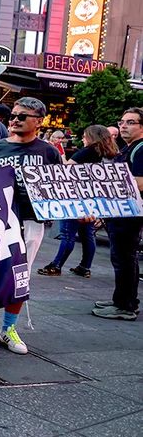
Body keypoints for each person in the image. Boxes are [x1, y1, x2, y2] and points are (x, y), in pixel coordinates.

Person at [0, 97, 63, 354]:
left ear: (39, 121)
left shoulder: (48, 152)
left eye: (23, 116)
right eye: (13, 115)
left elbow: (60, 187)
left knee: (20, 277)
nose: (15, 119)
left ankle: (9, 328)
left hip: (32, 220)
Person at [38, 125, 118, 278]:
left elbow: (66, 171)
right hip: (94, 198)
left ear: (92, 137)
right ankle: (85, 267)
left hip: (77, 198)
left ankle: (56, 265)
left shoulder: (86, 152)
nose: (82, 139)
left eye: (84, 136)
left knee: (68, 233)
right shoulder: (110, 154)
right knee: (88, 234)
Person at [92, 108, 143, 321]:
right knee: (122, 258)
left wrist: (109, 188)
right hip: (121, 211)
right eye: (121, 122)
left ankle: (125, 306)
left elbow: (140, 182)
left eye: (130, 122)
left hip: (128, 213)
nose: (123, 126)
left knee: (124, 258)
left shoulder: (140, 150)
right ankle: (122, 300)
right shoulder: (129, 148)